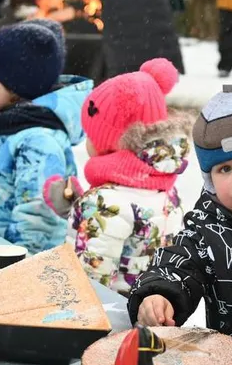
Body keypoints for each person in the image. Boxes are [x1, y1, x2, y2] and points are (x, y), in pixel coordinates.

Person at [128, 86, 232, 343]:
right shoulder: (207, 229)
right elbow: (178, 265)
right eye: (225, 169)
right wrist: (159, 295)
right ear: (210, 181)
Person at [0, 21, 92, 253]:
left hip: (10, 268)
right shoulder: (7, 126)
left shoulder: (38, 141)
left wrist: (13, 271)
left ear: (16, 84)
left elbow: (38, 227)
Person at [67, 58, 190, 295]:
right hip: (145, 310)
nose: (87, 141)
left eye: (91, 132)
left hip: (109, 321)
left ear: (111, 140)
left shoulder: (105, 205)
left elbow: (90, 282)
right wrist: (75, 208)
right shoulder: (160, 183)